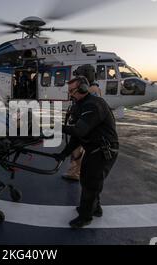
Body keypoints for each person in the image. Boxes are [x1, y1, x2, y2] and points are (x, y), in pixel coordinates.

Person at [55, 76, 119, 228]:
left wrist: (55, 126)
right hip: (94, 149)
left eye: (73, 90)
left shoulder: (94, 105)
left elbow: (79, 130)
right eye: (69, 91)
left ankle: (85, 217)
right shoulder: (80, 105)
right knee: (88, 179)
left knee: (91, 182)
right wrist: (63, 154)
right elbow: (78, 137)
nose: (70, 94)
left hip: (104, 150)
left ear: (83, 88)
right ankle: (95, 208)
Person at [62, 65, 101, 181]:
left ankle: (74, 173)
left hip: (82, 126)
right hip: (83, 125)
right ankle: (76, 171)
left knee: (76, 151)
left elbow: (88, 108)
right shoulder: (95, 88)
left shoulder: (91, 90)